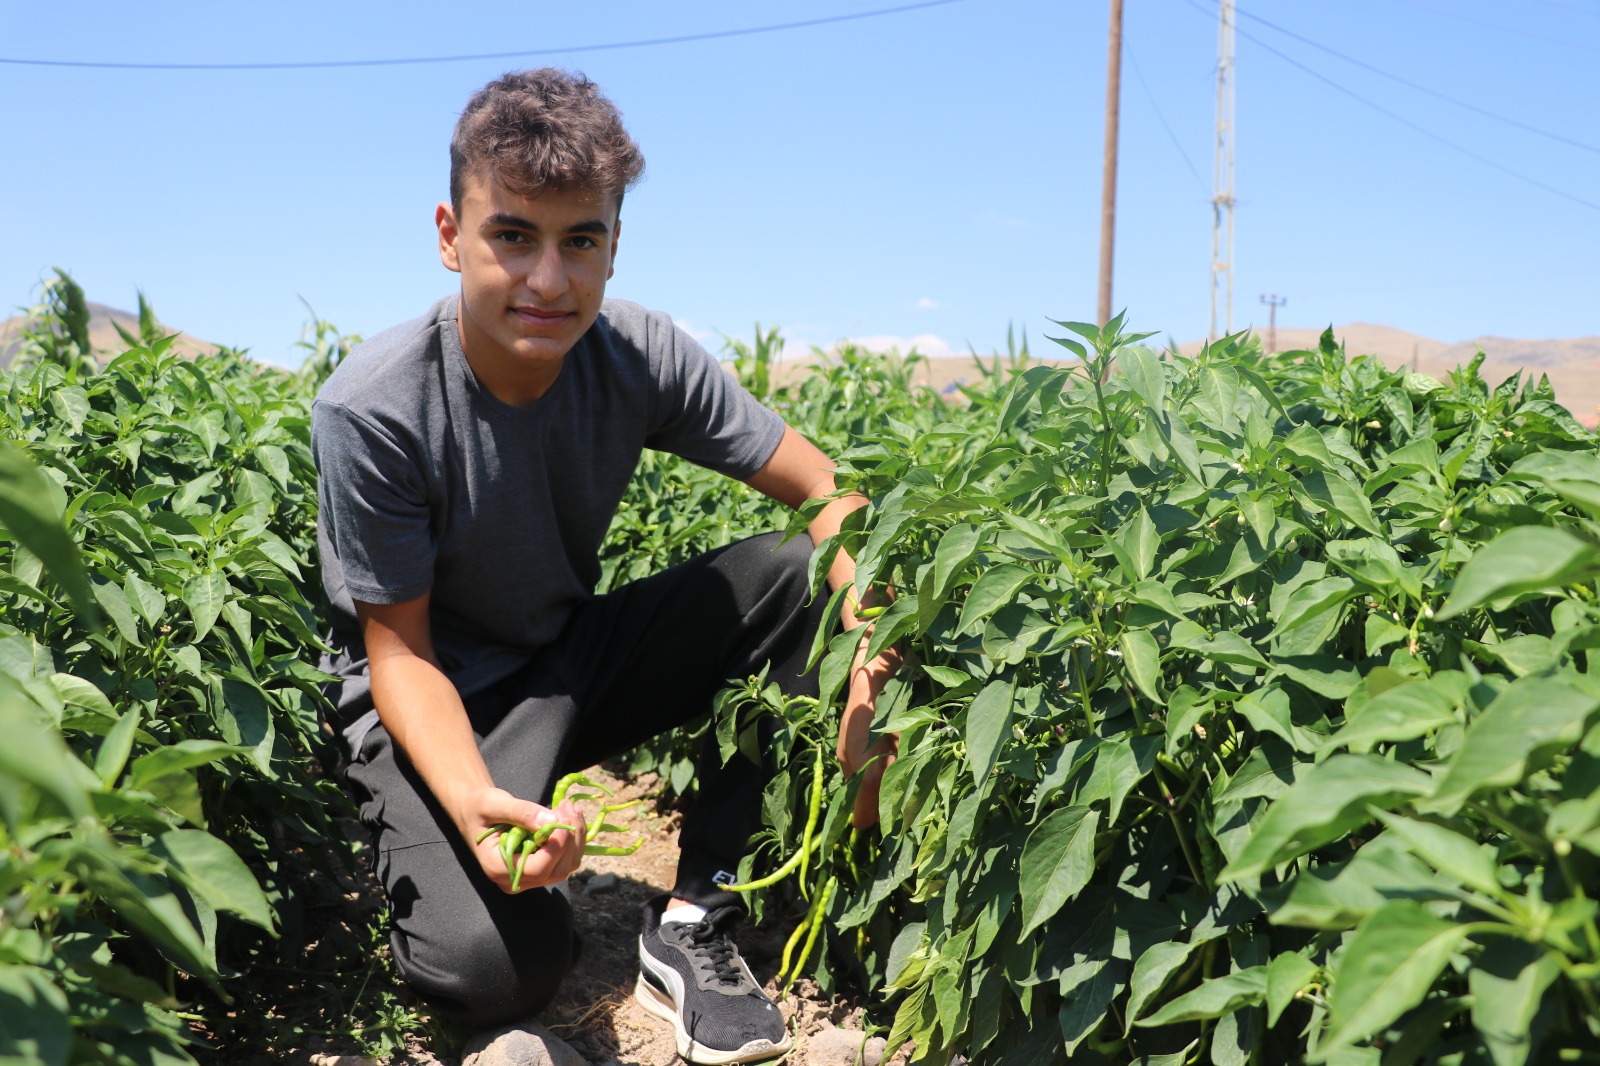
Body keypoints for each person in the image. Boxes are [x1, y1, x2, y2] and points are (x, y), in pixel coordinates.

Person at [311, 68, 899, 1064]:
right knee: (496, 969)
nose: (549, 279)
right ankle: (417, 839)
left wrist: (869, 653)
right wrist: (474, 803)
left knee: (799, 577)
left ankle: (695, 915)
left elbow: (823, 490)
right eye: (513, 237)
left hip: (561, 664)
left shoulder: (639, 354)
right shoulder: (375, 406)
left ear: (613, 247)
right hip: (425, 701)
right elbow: (399, 654)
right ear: (452, 235)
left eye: (580, 240)